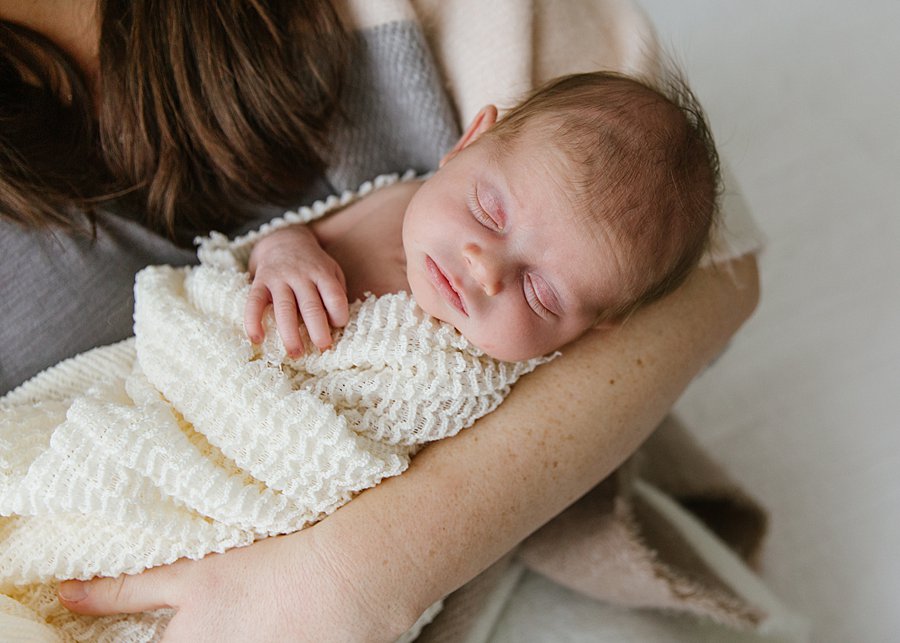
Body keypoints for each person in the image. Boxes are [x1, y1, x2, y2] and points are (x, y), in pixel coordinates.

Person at [0, 2, 761, 641]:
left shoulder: (513, 349)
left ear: (595, 332)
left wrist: (355, 571)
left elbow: (723, 269)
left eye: (540, 294)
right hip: (178, 416)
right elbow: (280, 244)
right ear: (467, 143)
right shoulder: (398, 205)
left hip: (452, 552)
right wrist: (284, 257)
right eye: (488, 211)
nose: (485, 269)